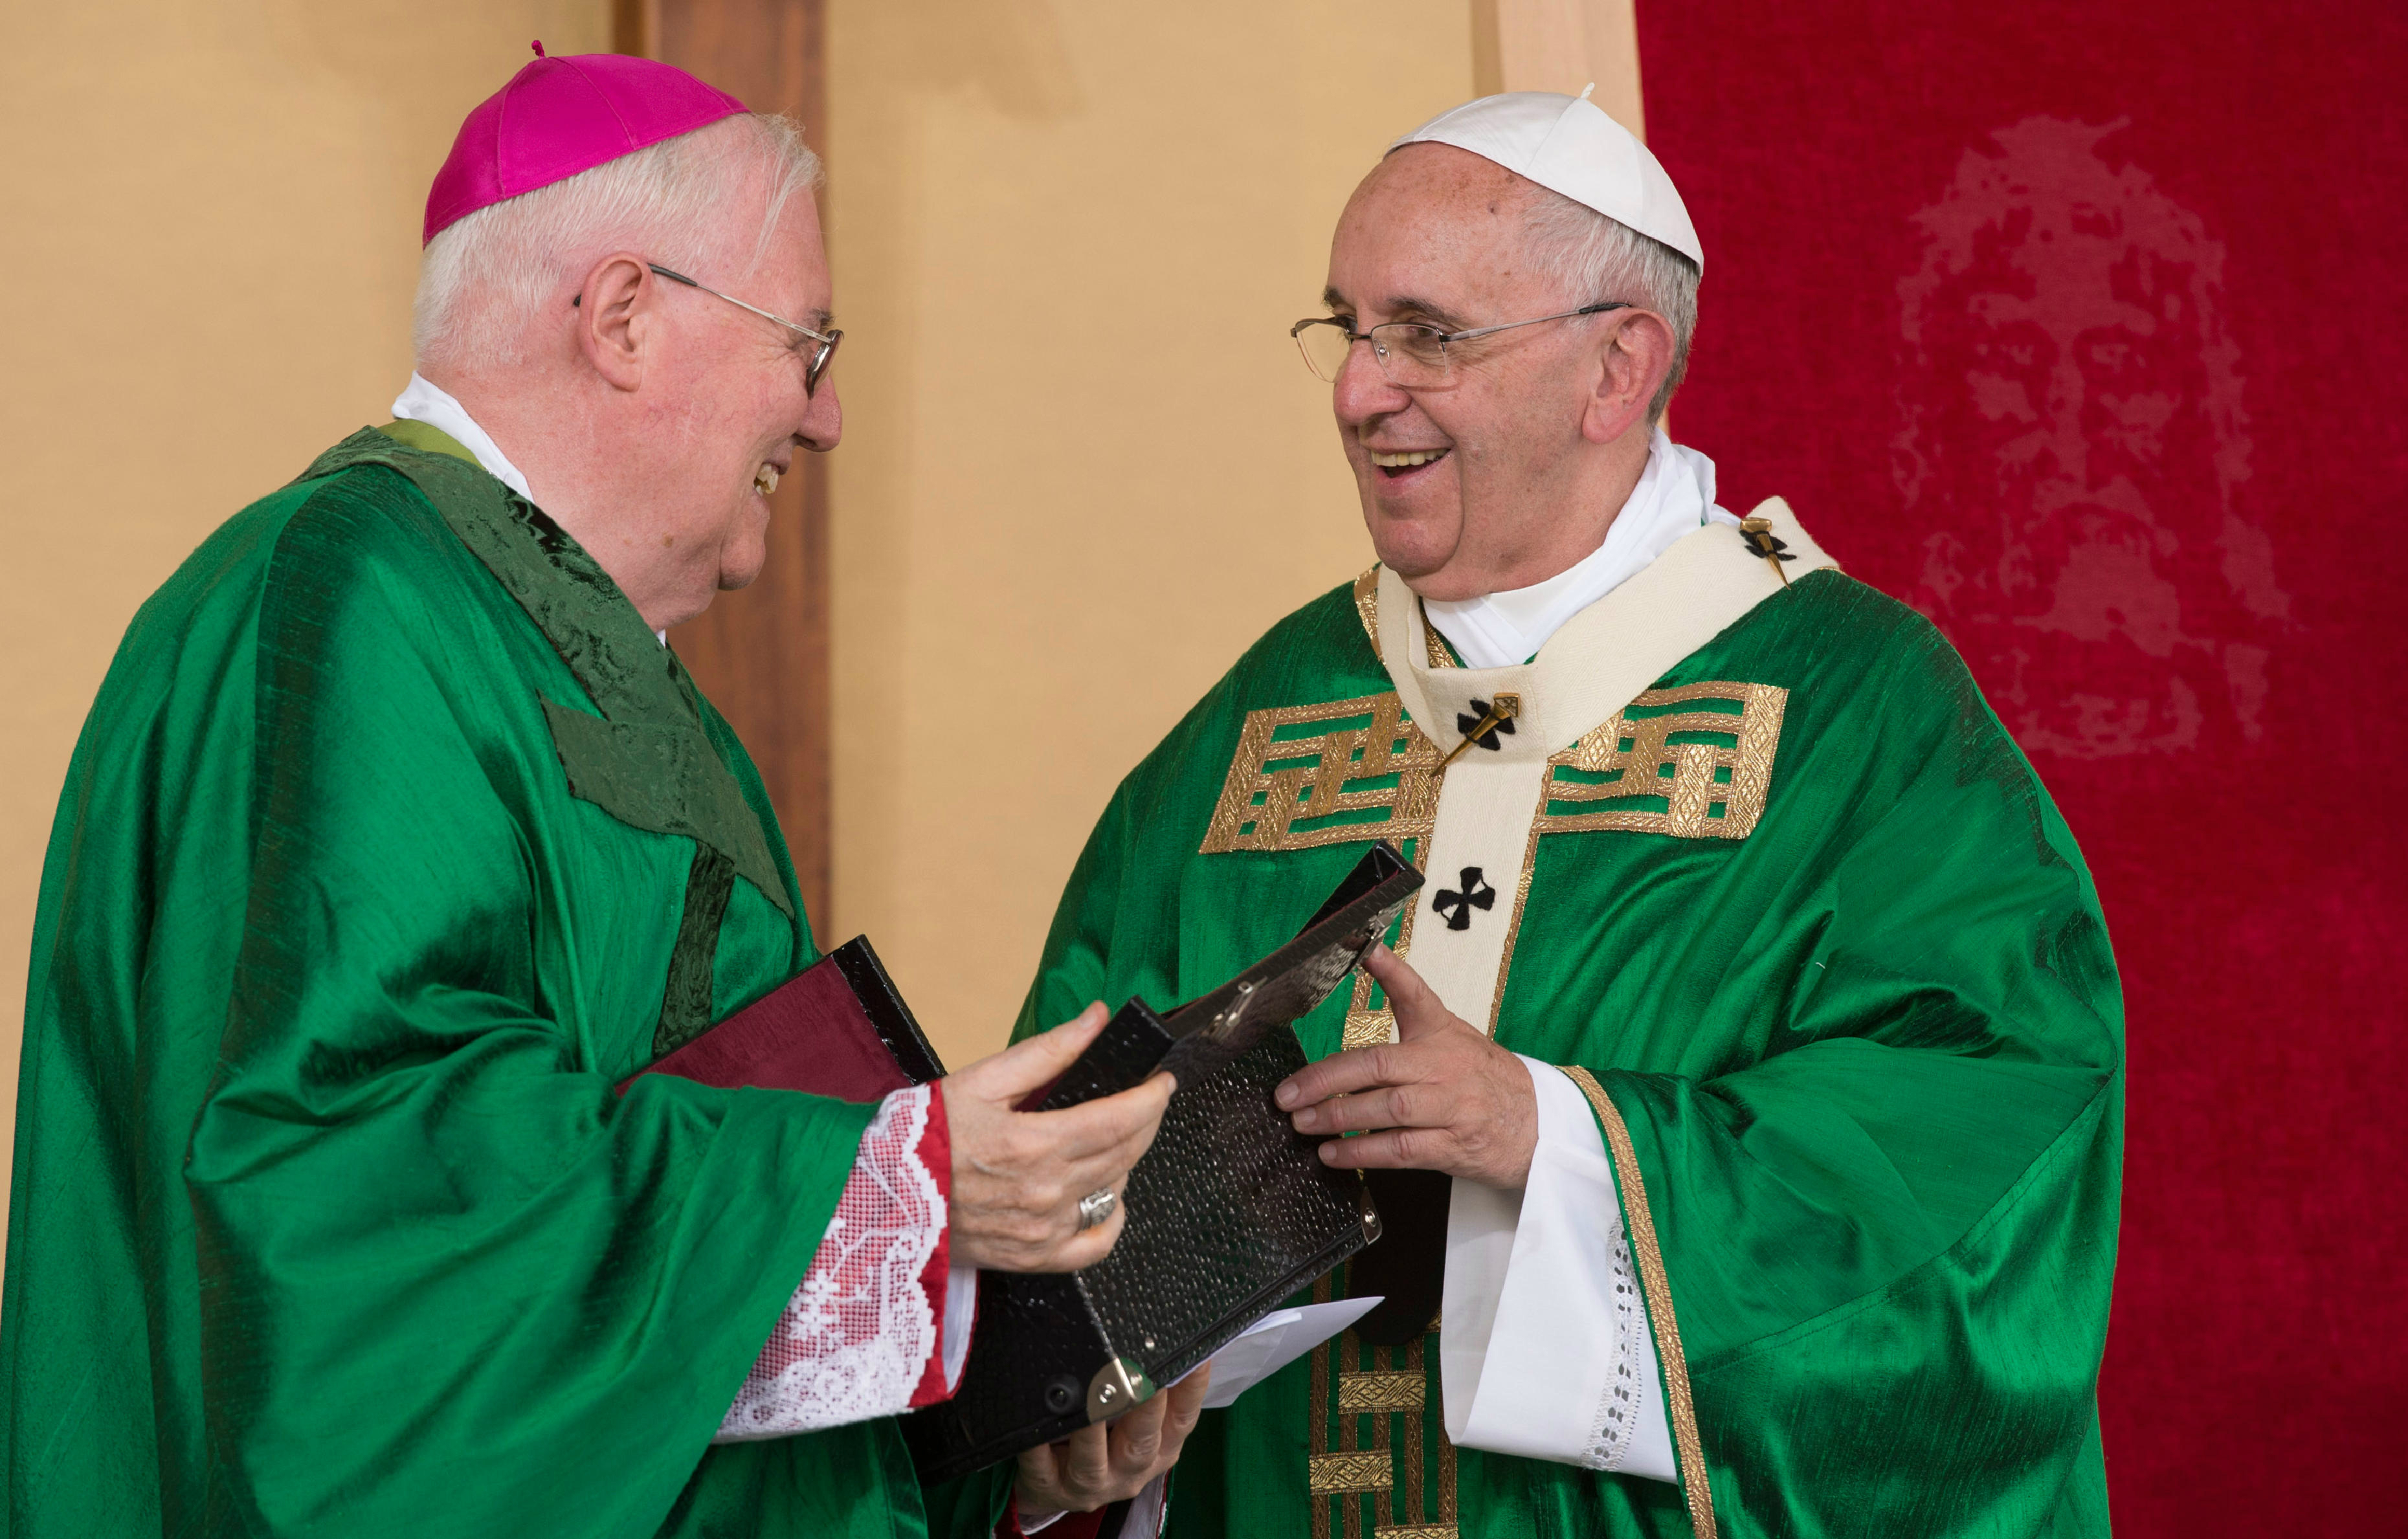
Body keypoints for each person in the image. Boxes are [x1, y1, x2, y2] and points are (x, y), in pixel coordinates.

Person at [0, 49, 1203, 1538]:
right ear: (625, 317)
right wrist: (882, 1185)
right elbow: (349, 1203)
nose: (828, 417)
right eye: (809, 346)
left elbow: (702, 1352)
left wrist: (1002, 1461)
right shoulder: (346, 596)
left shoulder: (626, 685)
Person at [1013, 89, 2123, 1536]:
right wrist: (1074, 1422)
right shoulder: (1260, 720)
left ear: (1619, 366)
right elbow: (1068, 1129)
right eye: (1348, 330)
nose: (1359, 392)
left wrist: (1558, 1133)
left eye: (1428, 334)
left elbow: (1988, 1129)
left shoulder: (1856, 711)